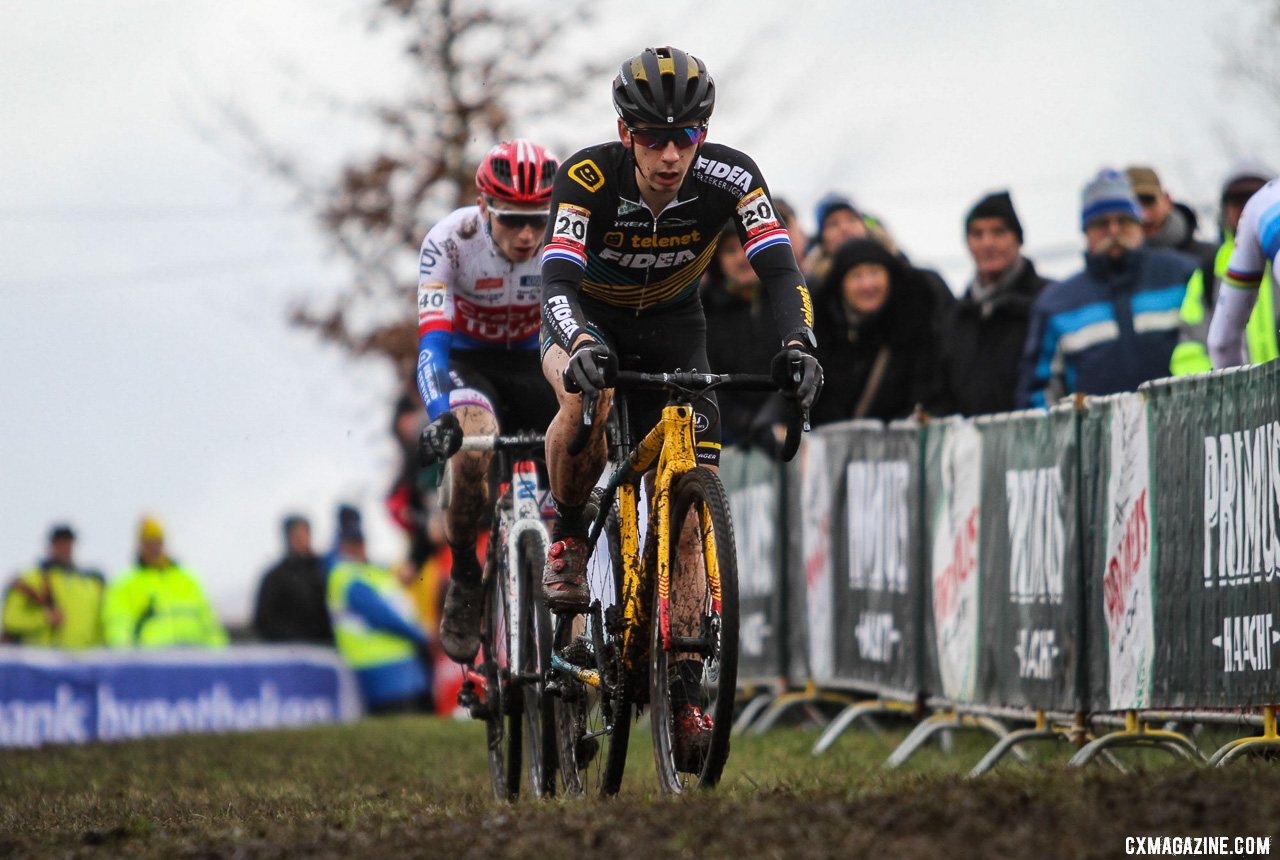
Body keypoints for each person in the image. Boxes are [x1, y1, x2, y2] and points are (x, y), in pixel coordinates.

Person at [536, 46, 821, 769]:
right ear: (625, 131)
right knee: (586, 403)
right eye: (655, 138)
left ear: (705, 132)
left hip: (674, 327)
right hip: (586, 318)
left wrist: (799, 343)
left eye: (686, 136)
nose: (671, 155)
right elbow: (557, 281)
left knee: (690, 515)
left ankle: (687, 686)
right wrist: (577, 347)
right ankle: (569, 531)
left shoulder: (732, 175)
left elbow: (781, 267)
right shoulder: (587, 176)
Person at [413, 139, 562, 666]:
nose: (527, 235)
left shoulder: (564, 238)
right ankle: (466, 575)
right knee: (472, 444)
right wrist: (441, 420)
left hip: (534, 361)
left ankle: (575, 563)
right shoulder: (449, 242)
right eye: (512, 220)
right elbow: (431, 346)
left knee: (584, 413)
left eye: (537, 220)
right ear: (484, 208)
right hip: (469, 362)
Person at [1017, 169, 1196, 407]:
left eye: (1123, 220)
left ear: (1139, 224)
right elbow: (1038, 394)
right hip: (1097, 440)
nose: (1113, 231)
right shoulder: (1056, 305)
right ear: (1086, 231)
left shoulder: (1182, 276)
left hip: (1184, 432)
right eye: (1101, 223)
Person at [934, 191, 1053, 416]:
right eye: (977, 234)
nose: (987, 243)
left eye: (998, 232)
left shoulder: (1050, 300)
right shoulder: (955, 318)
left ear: (1017, 238)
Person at [809, 238, 939, 425]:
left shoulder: (914, 330)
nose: (867, 285)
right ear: (840, 284)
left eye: (874, 272)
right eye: (856, 275)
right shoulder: (821, 333)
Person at [325, 507, 434, 715]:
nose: (359, 548)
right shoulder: (347, 576)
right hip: (385, 671)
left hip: (399, 667)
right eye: (353, 543)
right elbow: (383, 616)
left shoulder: (368, 572)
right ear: (341, 546)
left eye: (360, 542)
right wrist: (421, 635)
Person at [1172, 160, 1277, 374]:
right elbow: (1190, 349)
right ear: (1223, 208)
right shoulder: (1208, 271)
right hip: (1242, 402)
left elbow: (1221, 344)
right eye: (1237, 199)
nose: (1248, 207)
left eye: (1254, 195)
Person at [102, 516, 227, 648]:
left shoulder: (188, 579)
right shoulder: (124, 584)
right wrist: (126, 659)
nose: (154, 548)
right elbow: (118, 625)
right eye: (149, 542)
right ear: (140, 544)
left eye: (157, 541)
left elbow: (209, 623)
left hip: (192, 657)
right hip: (151, 662)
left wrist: (219, 654)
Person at [1206, 177, 1280, 370]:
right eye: (1235, 198)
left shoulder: (1265, 202)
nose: (1243, 202)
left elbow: (1221, 344)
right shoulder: (1210, 266)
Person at [2, 524, 104, 648]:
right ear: (51, 546)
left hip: (83, 661)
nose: (64, 548)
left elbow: (99, 625)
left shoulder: (89, 584)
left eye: (68, 543)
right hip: (40, 660)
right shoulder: (30, 581)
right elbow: (10, 620)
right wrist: (44, 618)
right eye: (60, 543)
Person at [251, 514, 333, 645]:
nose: (301, 539)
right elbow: (263, 621)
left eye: (305, 533)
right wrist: (296, 639)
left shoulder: (324, 569)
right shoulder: (275, 577)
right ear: (287, 537)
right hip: (292, 653)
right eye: (296, 534)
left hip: (327, 648)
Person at [1126, 165, 1216, 260]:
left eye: (1149, 201)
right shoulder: (1111, 265)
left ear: (1167, 200)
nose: (1144, 215)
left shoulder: (1209, 257)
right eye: (1132, 206)